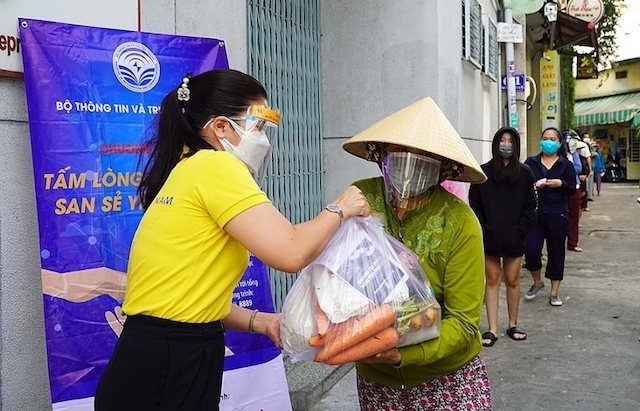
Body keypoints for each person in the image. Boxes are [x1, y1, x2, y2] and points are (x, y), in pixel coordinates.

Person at [93, 69, 371, 411]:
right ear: (221, 127)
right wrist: (341, 208)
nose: (264, 140)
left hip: (157, 357)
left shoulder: (187, 169)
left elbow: (189, 299)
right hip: (171, 361)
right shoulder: (216, 167)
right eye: (258, 127)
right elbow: (291, 250)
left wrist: (261, 321)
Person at [341, 98, 492, 410]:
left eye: (425, 157)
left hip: (447, 378)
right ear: (380, 152)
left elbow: (464, 324)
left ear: (443, 167)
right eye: (401, 153)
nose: (411, 164)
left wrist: (401, 353)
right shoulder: (361, 198)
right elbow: (334, 279)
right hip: (377, 380)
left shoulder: (461, 223)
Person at [469, 127, 537, 347]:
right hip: (490, 237)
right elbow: (475, 204)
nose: (506, 144)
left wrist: (520, 230)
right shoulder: (484, 172)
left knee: (513, 279)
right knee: (492, 279)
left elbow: (531, 206)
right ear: (496, 143)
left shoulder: (525, 173)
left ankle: (513, 323)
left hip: (515, 237)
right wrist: (485, 227)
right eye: (502, 140)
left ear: (516, 146)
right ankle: (492, 328)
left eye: (510, 141)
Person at [523, 128, 577, 307]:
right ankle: (537, 282)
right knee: (531, 251)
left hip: (557, 213)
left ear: (559, 143)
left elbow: (572, 187)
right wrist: (533, 186)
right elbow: (521, 185)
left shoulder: (565, 165)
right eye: (545, 138)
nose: (548, 142)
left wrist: (560, 183)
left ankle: (554, 292)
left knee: (556, 252)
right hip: (535, 214)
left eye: (552, 139)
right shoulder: (531, 162)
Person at [563, 129, 588, 252]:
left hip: (574, 187)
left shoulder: (574, 155)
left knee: (574, 217)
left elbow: (578, 168)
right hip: (559, 189)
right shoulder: (556, 154)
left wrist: (566, 167)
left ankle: (572, 242)